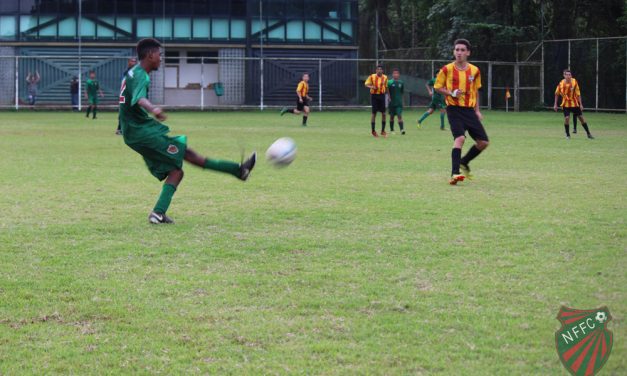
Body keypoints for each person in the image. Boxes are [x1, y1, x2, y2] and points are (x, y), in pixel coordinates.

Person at [119, 38, 257, 224]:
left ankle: (158, 213)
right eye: (160, 55)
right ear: (150, 55)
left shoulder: (132, 73)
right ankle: (239, 170)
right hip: (142, 134)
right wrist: (154, 109)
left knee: (176, 171)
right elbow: (140, 99)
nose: (161, 58)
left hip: (136, 133)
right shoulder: (141, 75)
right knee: (189, 155)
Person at [434, 39, 489, 185]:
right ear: (454, 52)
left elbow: (475, 90)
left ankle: (464, 162)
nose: (459, 52)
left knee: (483, 142)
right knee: (460, 138)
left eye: (462, 50)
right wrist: (451, 93)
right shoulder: (446, 69)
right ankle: (454, 174)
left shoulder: (475, 70)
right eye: (457, 49)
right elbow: (437, 87)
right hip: (453, 109)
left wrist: (477, 110)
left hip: (469, 111)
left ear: (468, 52)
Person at [553, 69, 594, 139]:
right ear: (564, 75)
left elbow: (578, 94)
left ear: (571, 75)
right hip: (565, 104)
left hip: (575, 103)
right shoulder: (561, 83)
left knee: (581, 118)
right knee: (567, 118)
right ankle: (568, 135)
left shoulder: (574, 82)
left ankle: (588, 134)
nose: (568, 76)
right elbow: (556, 94)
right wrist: (555, 104)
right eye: (566, 75)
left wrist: (580, 104)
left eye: (569, 75)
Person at [365, 65, 388, 137]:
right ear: (376, 70)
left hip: (382, 96)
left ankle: (383, 131)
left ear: (382, 71)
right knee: (374, 113)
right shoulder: (372, 76)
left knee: (384, 113)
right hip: (374, 96)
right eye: (378, 69)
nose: (379, 70)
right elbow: (366, 84)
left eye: (380, 69)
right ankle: (373, 131)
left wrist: (388, 96)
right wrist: (372, 87)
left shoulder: (385, 77)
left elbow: (386, 87)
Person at [117, 57, 137, 135]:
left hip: (131, 95)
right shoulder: (128, 72)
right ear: (128, 62)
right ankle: (119, 129)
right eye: (132, 61)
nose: (134, 62)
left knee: (133, 112)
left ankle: (129, 129)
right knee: (123, 112)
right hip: (125, 95)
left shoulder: (134, 72)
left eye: (135, 61)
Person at [387, 68, 405, 135]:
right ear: (392, 74)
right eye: (394, 73)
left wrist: (403, 101)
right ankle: (392, 130)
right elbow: (387, 90)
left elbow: (402, 93)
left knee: (399, 115)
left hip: (399, 103)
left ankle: (402, 129)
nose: (395, 75)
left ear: (399, 74)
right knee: (391, 117)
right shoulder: (389, 82)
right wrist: (389, 97)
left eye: (397, 73)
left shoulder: (401, 83)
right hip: (392, 103)